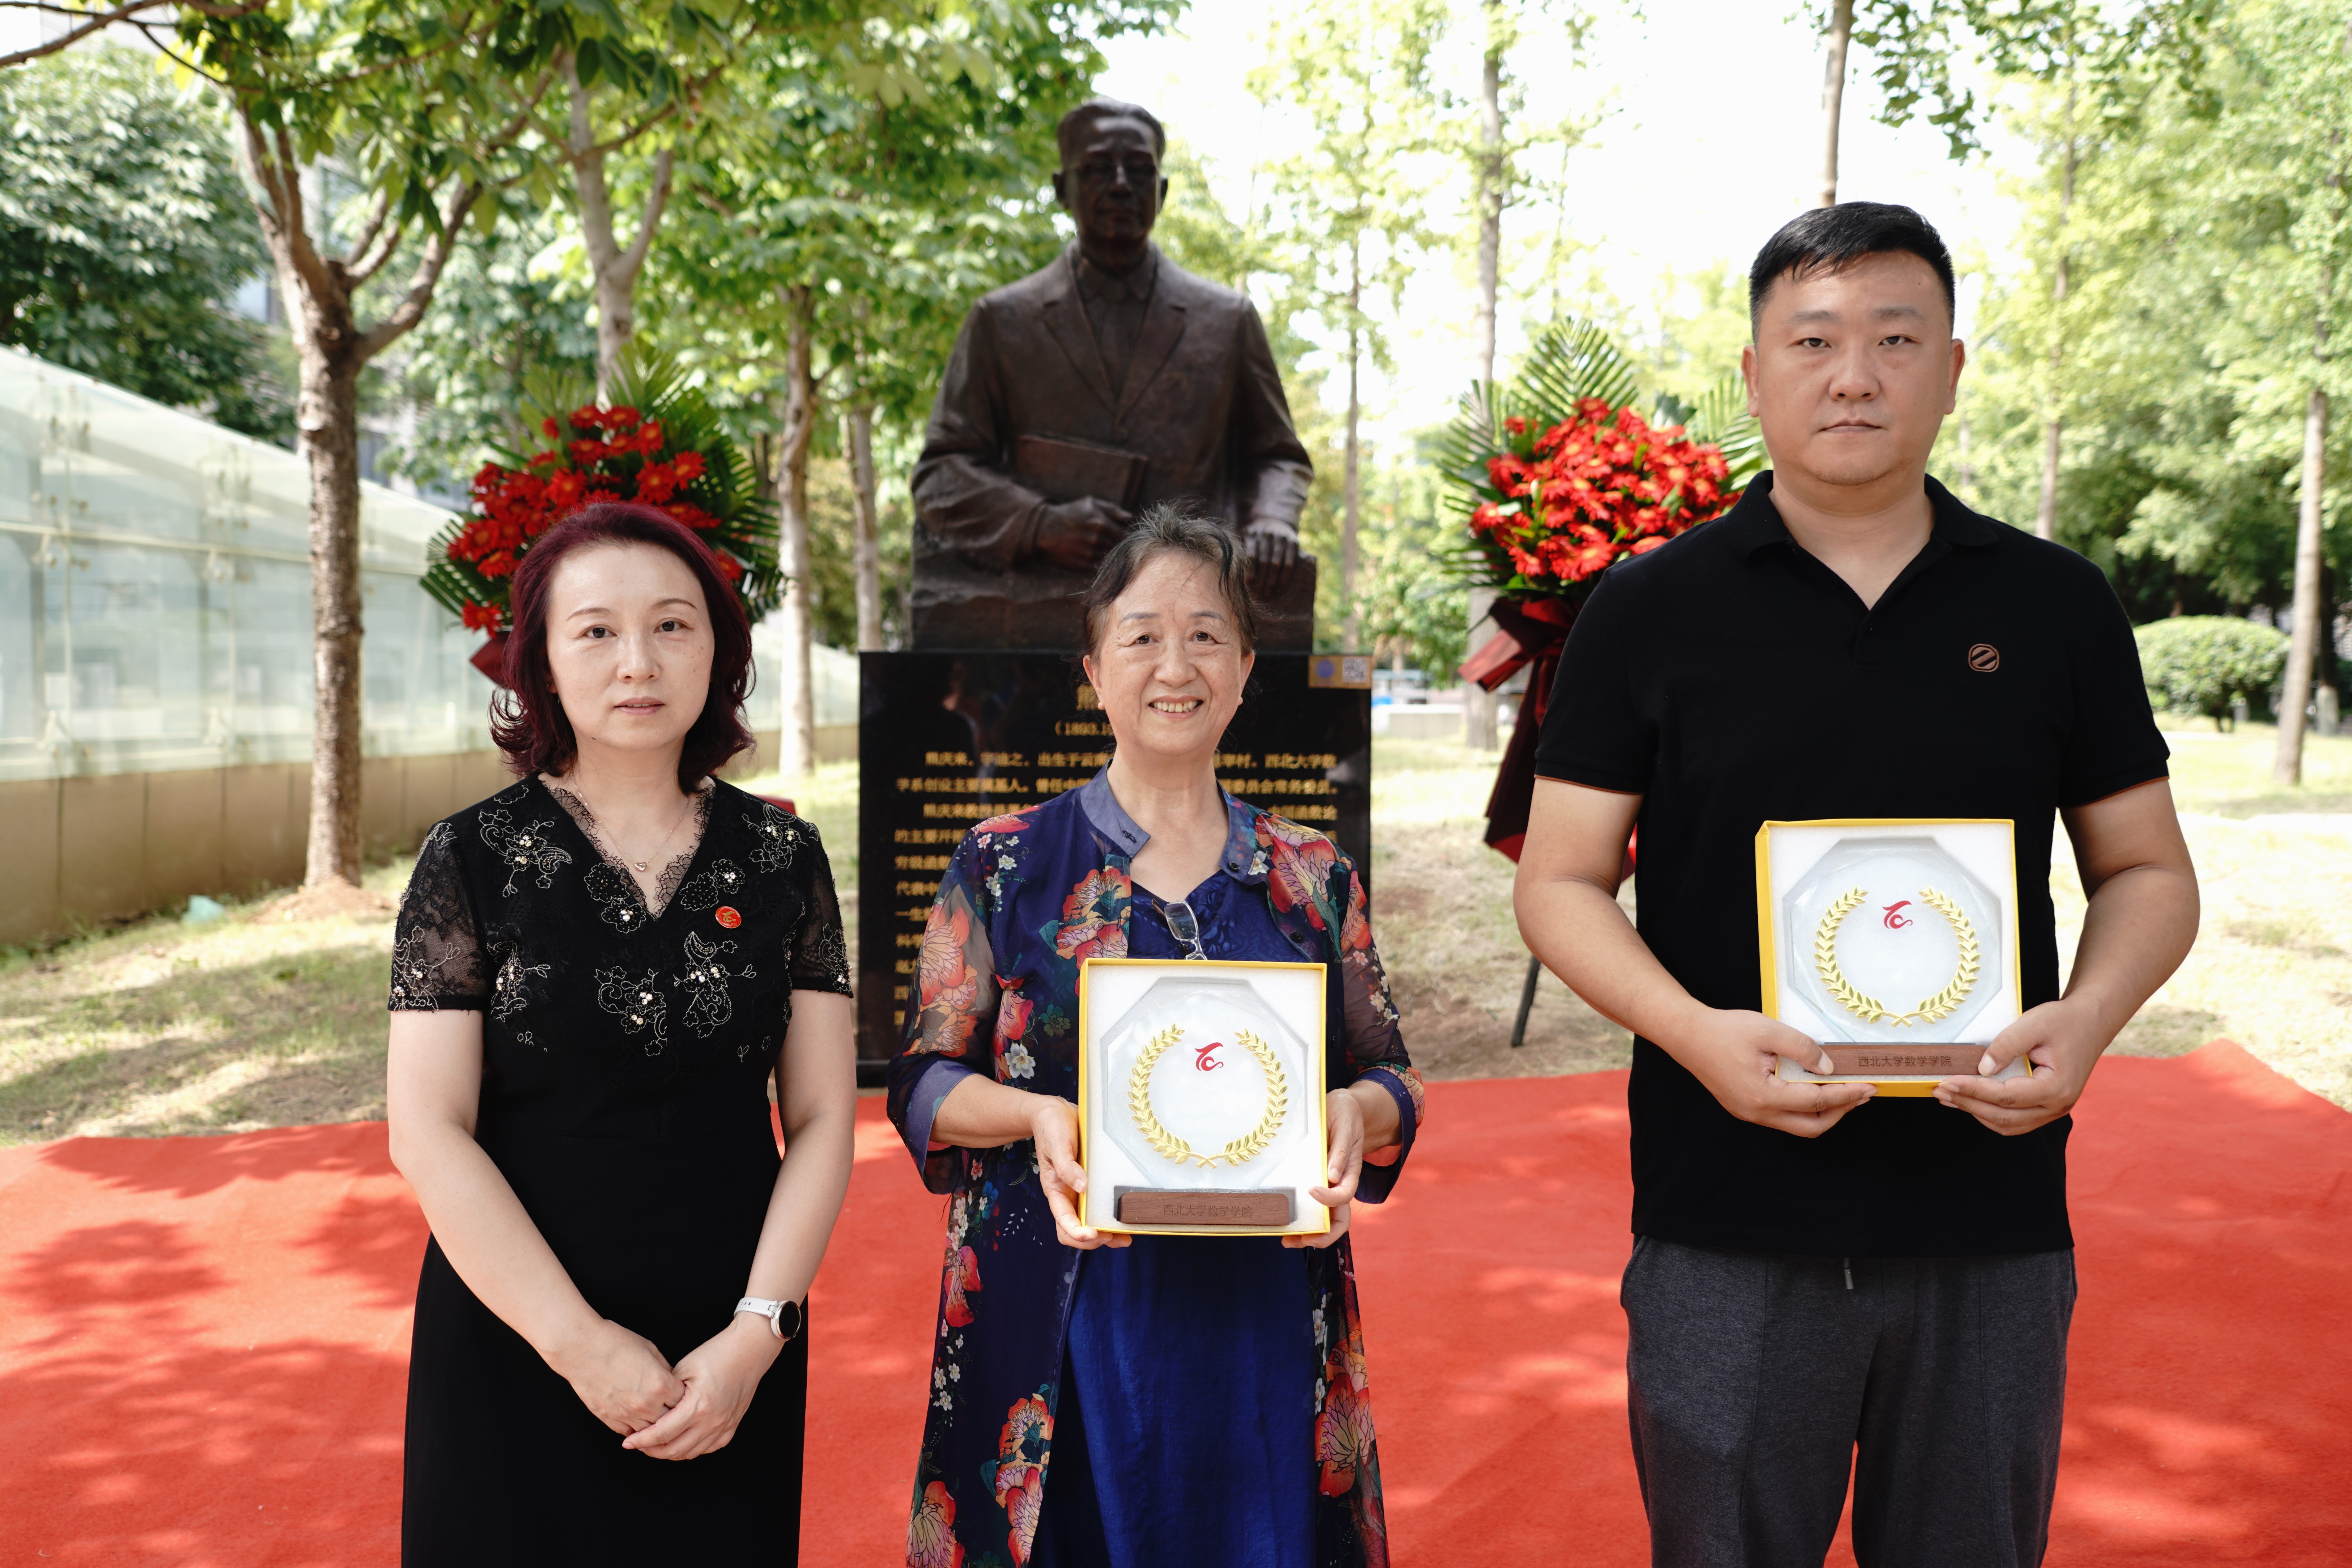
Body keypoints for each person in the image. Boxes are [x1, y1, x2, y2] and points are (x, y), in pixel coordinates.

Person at [1513, 204, 2199, 1568]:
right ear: (1754, 373)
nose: (1854, 377)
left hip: (1990, 1205)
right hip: (1727, 1205)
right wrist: (1696, 1034)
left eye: (1896, 339)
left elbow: (2147, 868)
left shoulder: (2056, 603)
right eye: (1813, 341)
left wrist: (2088, 1019)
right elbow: (1561, 881)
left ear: (1952, 368)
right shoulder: (1648, 607)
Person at [886, 506, 1426, 1568]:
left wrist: (1352, 1112)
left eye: (1206, 635)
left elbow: (1393, 1076)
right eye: (1142, 636)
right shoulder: (1004, 863)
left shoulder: (1311, 874)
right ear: (1094, 671)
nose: (1175, 665)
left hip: (1260, 1315)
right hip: (1058, 1307)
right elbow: (924, 1080)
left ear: (1245, 669)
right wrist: (1037, 1115)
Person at [386, 502, 857, 1564]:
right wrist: (579, 1345)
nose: (637, 661)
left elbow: (826, 1117)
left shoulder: (784, 856)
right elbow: (426, 1128)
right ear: (543, 664)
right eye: (596, 630)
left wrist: (758, 1333)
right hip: (516, 1324)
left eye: (673, 625)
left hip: (725, 1346)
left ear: (719, 652)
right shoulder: (470, 856)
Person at [906, 97, 1316, 648]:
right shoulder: (1001, 321)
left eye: (1139, 171)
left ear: (1161, 192)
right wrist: (1038, 524)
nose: (1121, 185)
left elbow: (1278, 456)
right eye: (1099, 169)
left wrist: (1272, 520)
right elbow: (940, 474)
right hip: (1038, 606)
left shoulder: (1227, 321)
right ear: (1062, 188)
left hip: (1192, 601)